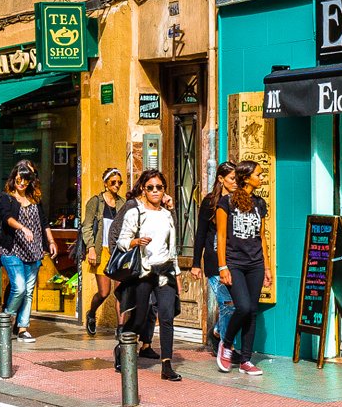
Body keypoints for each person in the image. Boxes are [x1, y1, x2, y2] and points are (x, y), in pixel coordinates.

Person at [116, 169, 182, 381]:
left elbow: (172, 248)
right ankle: (122, 349)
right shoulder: (134, 213)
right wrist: (135, 242)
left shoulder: (167, 215)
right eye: (150, 187)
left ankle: (167, 365)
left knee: (166, 316)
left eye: (159, 187)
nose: (155, 191)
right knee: (140, 316)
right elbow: (121, 241)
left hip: (164, 271)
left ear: (164, 190)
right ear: (143, 190)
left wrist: (177, 274)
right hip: (144, 271)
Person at [216, 160, 272, 377]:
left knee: (253, 312)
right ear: (246, 177)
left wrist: (267, 267)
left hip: (255, 263)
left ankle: (246, 360)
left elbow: (262, 237)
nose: (261, 178)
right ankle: (227, 344)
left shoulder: (259, 203)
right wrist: (223, 267)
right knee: (244, 307)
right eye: (258, 174)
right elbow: (221, 236)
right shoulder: (226, 202)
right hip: (235, 263)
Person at [0, 161, 56, 343]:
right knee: (19, 287)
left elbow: (44, 222)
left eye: (25, 181)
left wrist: (51, 241)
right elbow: (6, 219)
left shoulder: (35, 200)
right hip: (12, 249)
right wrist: (23, 228)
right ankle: (7, 317)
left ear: (30, 182)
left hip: (34, 251)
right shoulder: (6, 198)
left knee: (28, 291)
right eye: (19, 179)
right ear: (13, 179)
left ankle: (22, 328)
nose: (22, 183)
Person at [191, 164, 237, 356]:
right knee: (227, 303)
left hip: (234, 260)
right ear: (220, 179)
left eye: (237, 179)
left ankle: (218, 329)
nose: (235, 182)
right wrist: (195, 264)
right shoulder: (210, 202)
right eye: (232, 178)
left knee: (236, 304)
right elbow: (200, 233)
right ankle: (228, 347)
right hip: (213, 261)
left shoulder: (238, 201)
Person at [80, 168, 126, 337]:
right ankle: (91, 314)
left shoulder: (123, 203)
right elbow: (87, 227)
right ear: (105, 183)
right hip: (102, 251)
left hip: (119, 252)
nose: (116, 185)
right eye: (113, 182)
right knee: (104, 292)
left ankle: (121, 328)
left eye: (119, 182)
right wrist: (91, 248)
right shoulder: (95, 202)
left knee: (121, 292)